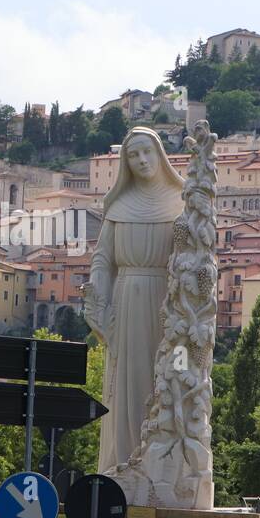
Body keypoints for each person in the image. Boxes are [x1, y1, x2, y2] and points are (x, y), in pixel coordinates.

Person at [84, 127, 184, 473]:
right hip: (126, 302)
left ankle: (165, 465)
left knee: (168, 379)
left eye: (147, 152)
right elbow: (102, 258)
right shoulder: (119, 205)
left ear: (160, 155)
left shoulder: (182, 201)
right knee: (126, 386)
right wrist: (97, 293)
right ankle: (124, 463)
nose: (142, 160)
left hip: (168, 305)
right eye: (133, 154)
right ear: (125, 162)